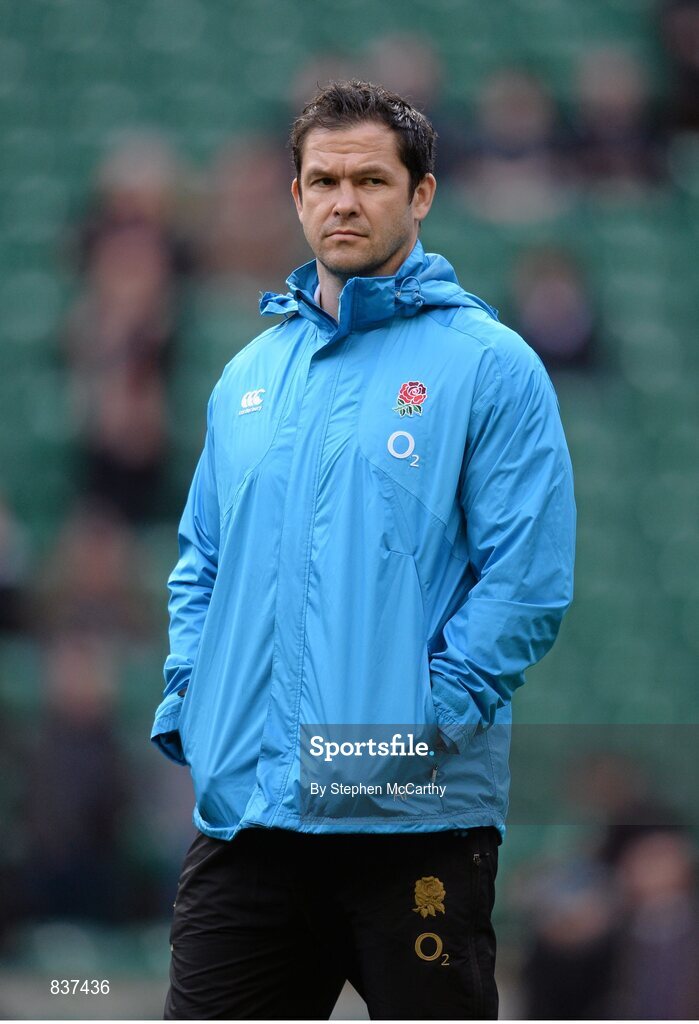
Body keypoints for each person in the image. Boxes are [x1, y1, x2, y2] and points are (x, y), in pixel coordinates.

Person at [150, 80, 576, 1020]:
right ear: (295, 195)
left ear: (420, 194)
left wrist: (423, 727)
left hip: (412, 824)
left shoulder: (489, 365)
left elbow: (527, 582)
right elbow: (200, 562)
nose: (344, 200)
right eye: (322, 180)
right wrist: (194, 696)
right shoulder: (247, 375)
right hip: (250, 818)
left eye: (371, 179)